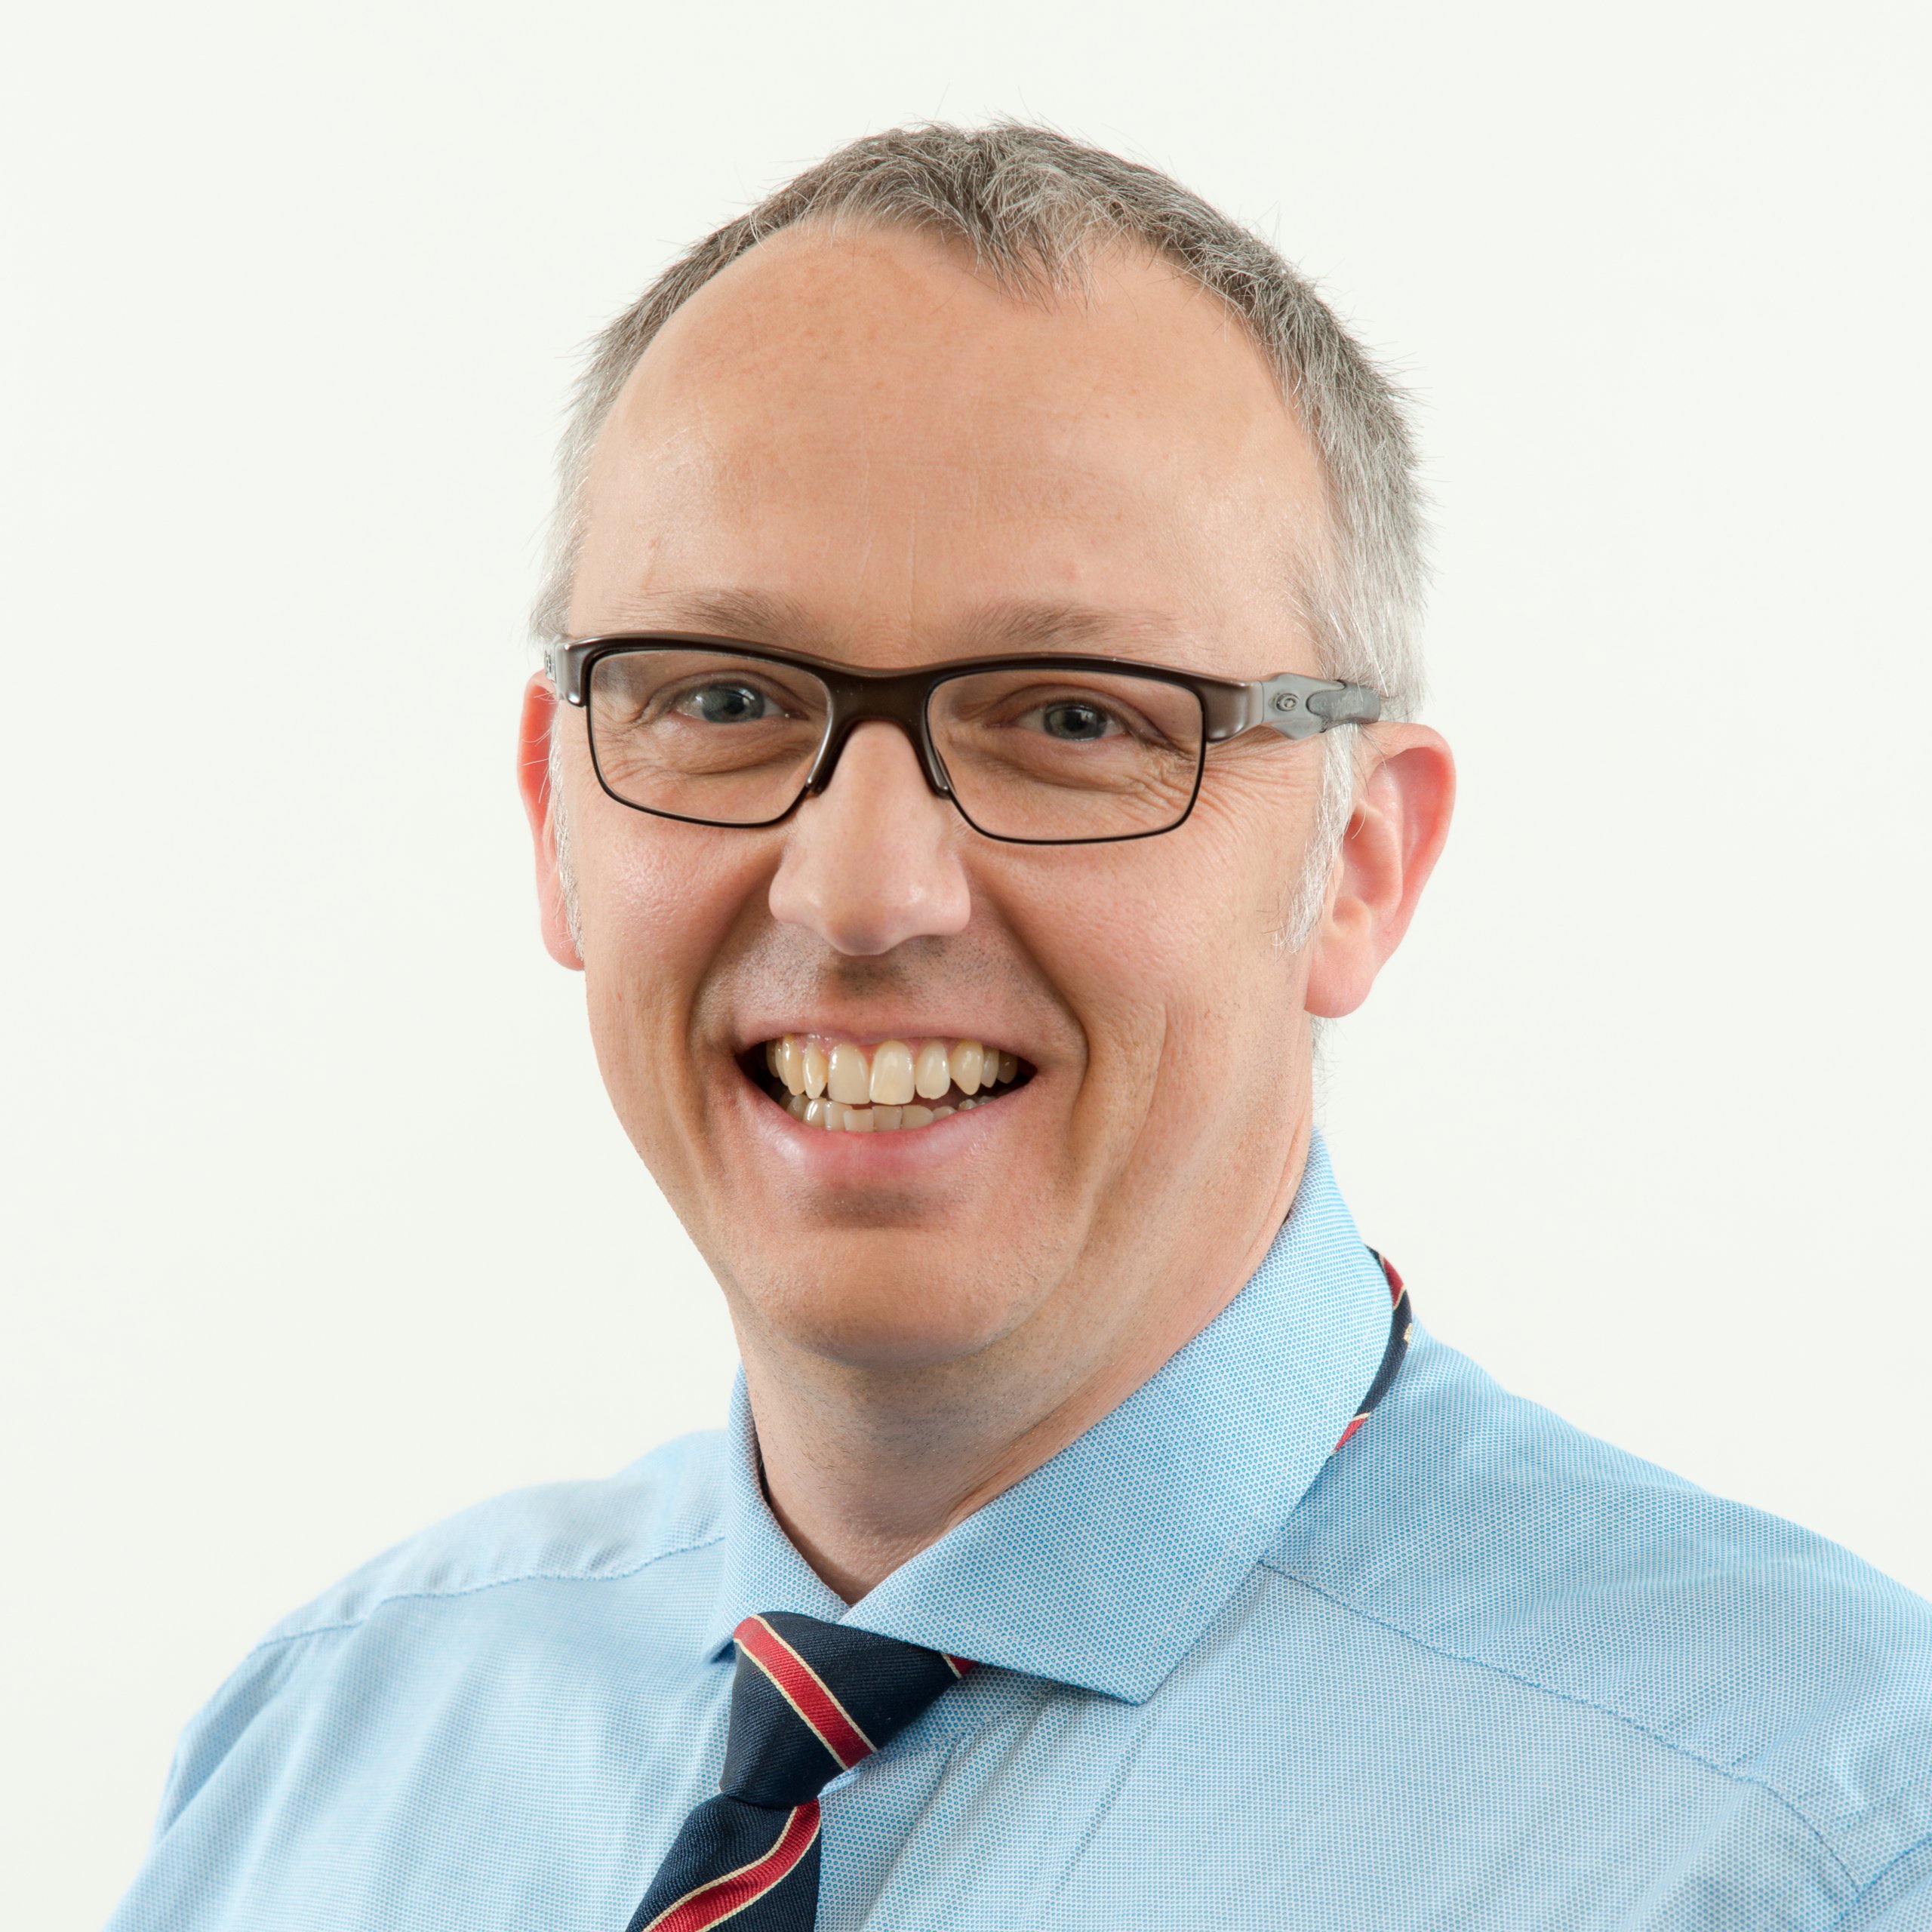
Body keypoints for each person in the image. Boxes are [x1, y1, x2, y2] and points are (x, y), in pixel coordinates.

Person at [110, 123, 1932, 1931]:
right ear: (553, 820)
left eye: (1072, 718)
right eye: (723, 699)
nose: (860, 889)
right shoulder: (323, 1750)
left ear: (1358, 866)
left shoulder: (1814, 1834)